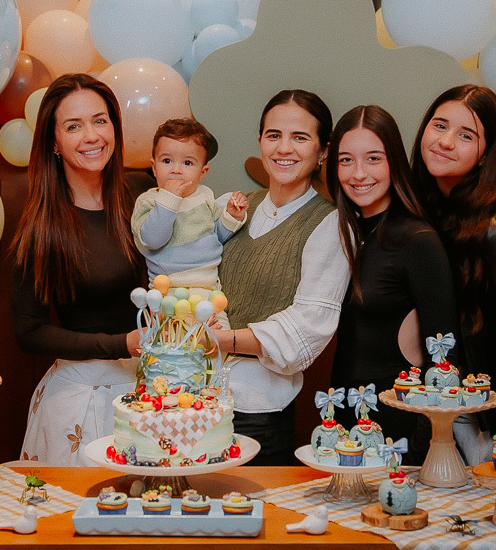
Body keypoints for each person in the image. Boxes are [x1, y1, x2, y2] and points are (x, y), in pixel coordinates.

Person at [11, 73, 148, 465]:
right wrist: (122, 344)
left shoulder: (143, 194)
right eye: (74, 126)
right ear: (54, 142)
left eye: (100, 120)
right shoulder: (42, 226)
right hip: (82, 402)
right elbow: (29, 332)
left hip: (153, 390)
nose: (92, 136)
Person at [210, 90, 347, 465]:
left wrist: (219, 341)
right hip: (192, 402)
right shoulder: (230, 207)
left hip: (259, 415)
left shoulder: (329, 224)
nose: (284, 148)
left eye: (299, 137)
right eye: (274, 135)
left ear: (323, 151)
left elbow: (306, 329)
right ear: (260, 141)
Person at [410, 84, 496, 464]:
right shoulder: (427, 214)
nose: (445, 141)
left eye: (466, 135)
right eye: (440, 125)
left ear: (486, 154)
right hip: (438, 409)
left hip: (486, 428)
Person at [326, 105, 458, 463]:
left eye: (373, 158)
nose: (359, 174)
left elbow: (445, 358)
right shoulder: (342, 234)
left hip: (398, 430)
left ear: (394, 163)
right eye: (346, 160)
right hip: (345, 421)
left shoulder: (416, 239)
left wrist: (420, 448)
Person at [131, 118, 249, 306]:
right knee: (175, 326)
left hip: (208, 288)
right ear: (154, 167)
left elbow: (216, 236)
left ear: (202, 172)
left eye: (187, 163)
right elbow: (152, 240)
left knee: (216, 325)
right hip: (168, 290)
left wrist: (231, 217)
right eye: (167, 161)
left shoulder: (205, 196)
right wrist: (169, 199)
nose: (176, 170)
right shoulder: (149, 201)